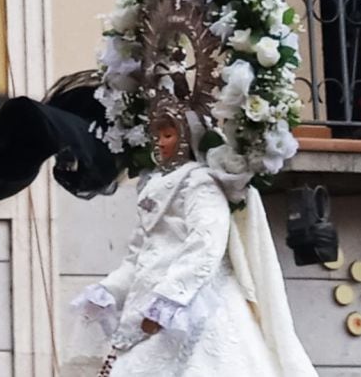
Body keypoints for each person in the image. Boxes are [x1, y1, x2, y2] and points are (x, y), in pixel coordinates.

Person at [71, 112, 317, 376]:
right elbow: (139, 255)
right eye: (156, 136)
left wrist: (169, 299)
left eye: (168, 135)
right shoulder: (151, 186)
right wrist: (110, 289)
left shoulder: (201, 183)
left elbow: (206, 245)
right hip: (149, 302)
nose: (160, 143)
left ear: (188, 139)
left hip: (196, 302)